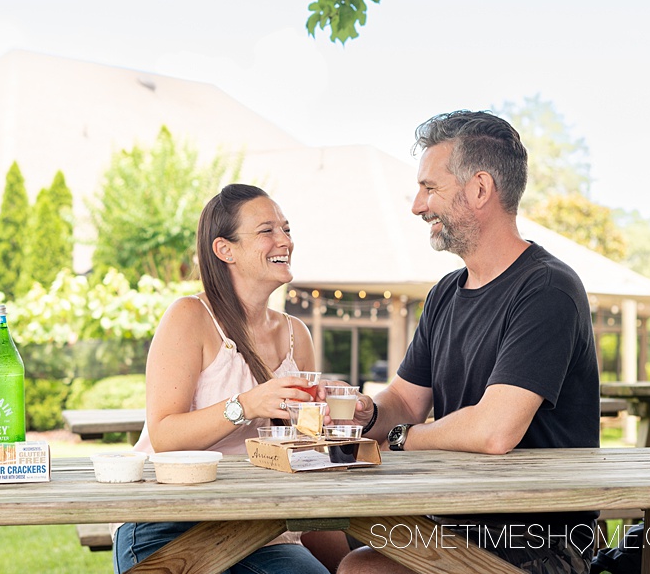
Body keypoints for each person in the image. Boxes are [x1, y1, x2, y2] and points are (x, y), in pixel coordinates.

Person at [333, 110, 601, 574]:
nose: (418, 206)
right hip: (455, 522)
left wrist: (404, 440)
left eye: (430, 188)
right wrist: (366, 415)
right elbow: (404, 399)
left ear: (479, 189)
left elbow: (494, 431)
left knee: (362, 569)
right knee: (322, 534)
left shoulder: (548, 289)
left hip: (537, 543)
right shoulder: (445, 293)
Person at [112, 183, 331, 574]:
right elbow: (163, 436)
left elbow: (303, 453)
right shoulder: (189, 317)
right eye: (267, 231)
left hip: (261, 527)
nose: (285, 240)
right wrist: (248, 404)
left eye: (286, 228)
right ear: (224, 249)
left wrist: (328, 424)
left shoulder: (297, 334)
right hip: (168, 522)